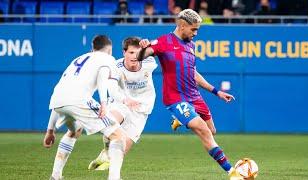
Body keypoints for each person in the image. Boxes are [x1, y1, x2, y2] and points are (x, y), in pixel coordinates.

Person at [137, 9, 243, 180]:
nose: (196, 33)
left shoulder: (191, 46)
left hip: (194, 96)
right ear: (182, 25)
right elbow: (141, 57)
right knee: (203, 130)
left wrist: (216, 92)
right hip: (176, 98)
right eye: (193, 29)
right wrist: (143, 48)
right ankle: (232, 172)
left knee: (211, 131)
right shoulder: (163, 42)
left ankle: (180, 119)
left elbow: (193, 73)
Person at [43, 35, 137, 180]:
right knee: (119, 136)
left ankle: (55, 176)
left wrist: (50, 130)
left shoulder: (77, 59)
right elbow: (104, 78)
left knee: (75, 130)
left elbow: (61, 93)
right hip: (79, 100)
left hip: (57, 101)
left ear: (92, 48)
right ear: (109, 49)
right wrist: (104, 104)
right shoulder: (108, 59)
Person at [87, 37, 158, 170]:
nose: (135, 56)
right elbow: (112, 88)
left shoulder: (150, 62)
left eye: (137, 53)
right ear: (124, 52)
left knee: (120, 152)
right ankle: (107, 148)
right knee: (112, 120)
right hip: (120, 102)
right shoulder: (116, 66)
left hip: (141, 109)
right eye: (131, 52)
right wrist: (125, 100)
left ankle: (106, 158)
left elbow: (159, 48)